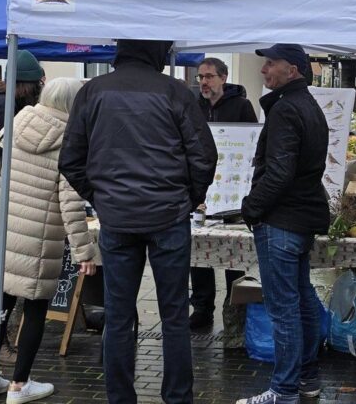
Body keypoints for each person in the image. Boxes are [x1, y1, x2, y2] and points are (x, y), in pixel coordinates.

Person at [60, 39, 217, 404]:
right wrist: (188, 197)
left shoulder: (93, 92)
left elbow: (70, 159)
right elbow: (204, 155)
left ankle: (120, 398)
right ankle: (178, 397)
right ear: (159, 53)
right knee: (175, 314)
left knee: (118, 316)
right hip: (169, 215)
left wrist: (101, 197)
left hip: (117, 218)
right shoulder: (175, 92)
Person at [0, 78, 98, 404]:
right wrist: (83, 251)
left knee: (0, 306)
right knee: (35, 310)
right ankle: (20, 385)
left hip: (0, 228)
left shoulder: (14, 124)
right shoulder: (70, 140)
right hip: (38, 239)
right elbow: (70, 201)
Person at [236, 44, 330, 404]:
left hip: (283, 221)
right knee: (302, 300)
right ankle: (306, 378)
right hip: (299, 220)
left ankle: (284, 390)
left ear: (292, 70)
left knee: (283, 308)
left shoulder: (287, 109)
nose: (264, 71)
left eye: (270, 64)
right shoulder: (305, 105)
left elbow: (279, 172)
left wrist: (251, 208)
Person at [189, 57, 258, 330]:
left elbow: (252, 144)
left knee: (234, 252)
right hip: (202, 189)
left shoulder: (241, 106)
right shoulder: (194, 107)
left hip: (233, 190)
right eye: (200, 77)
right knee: (199, 251)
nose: (204, 82)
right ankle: (202, 307)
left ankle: (235, 307)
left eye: (209, 76)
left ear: (223, 78)